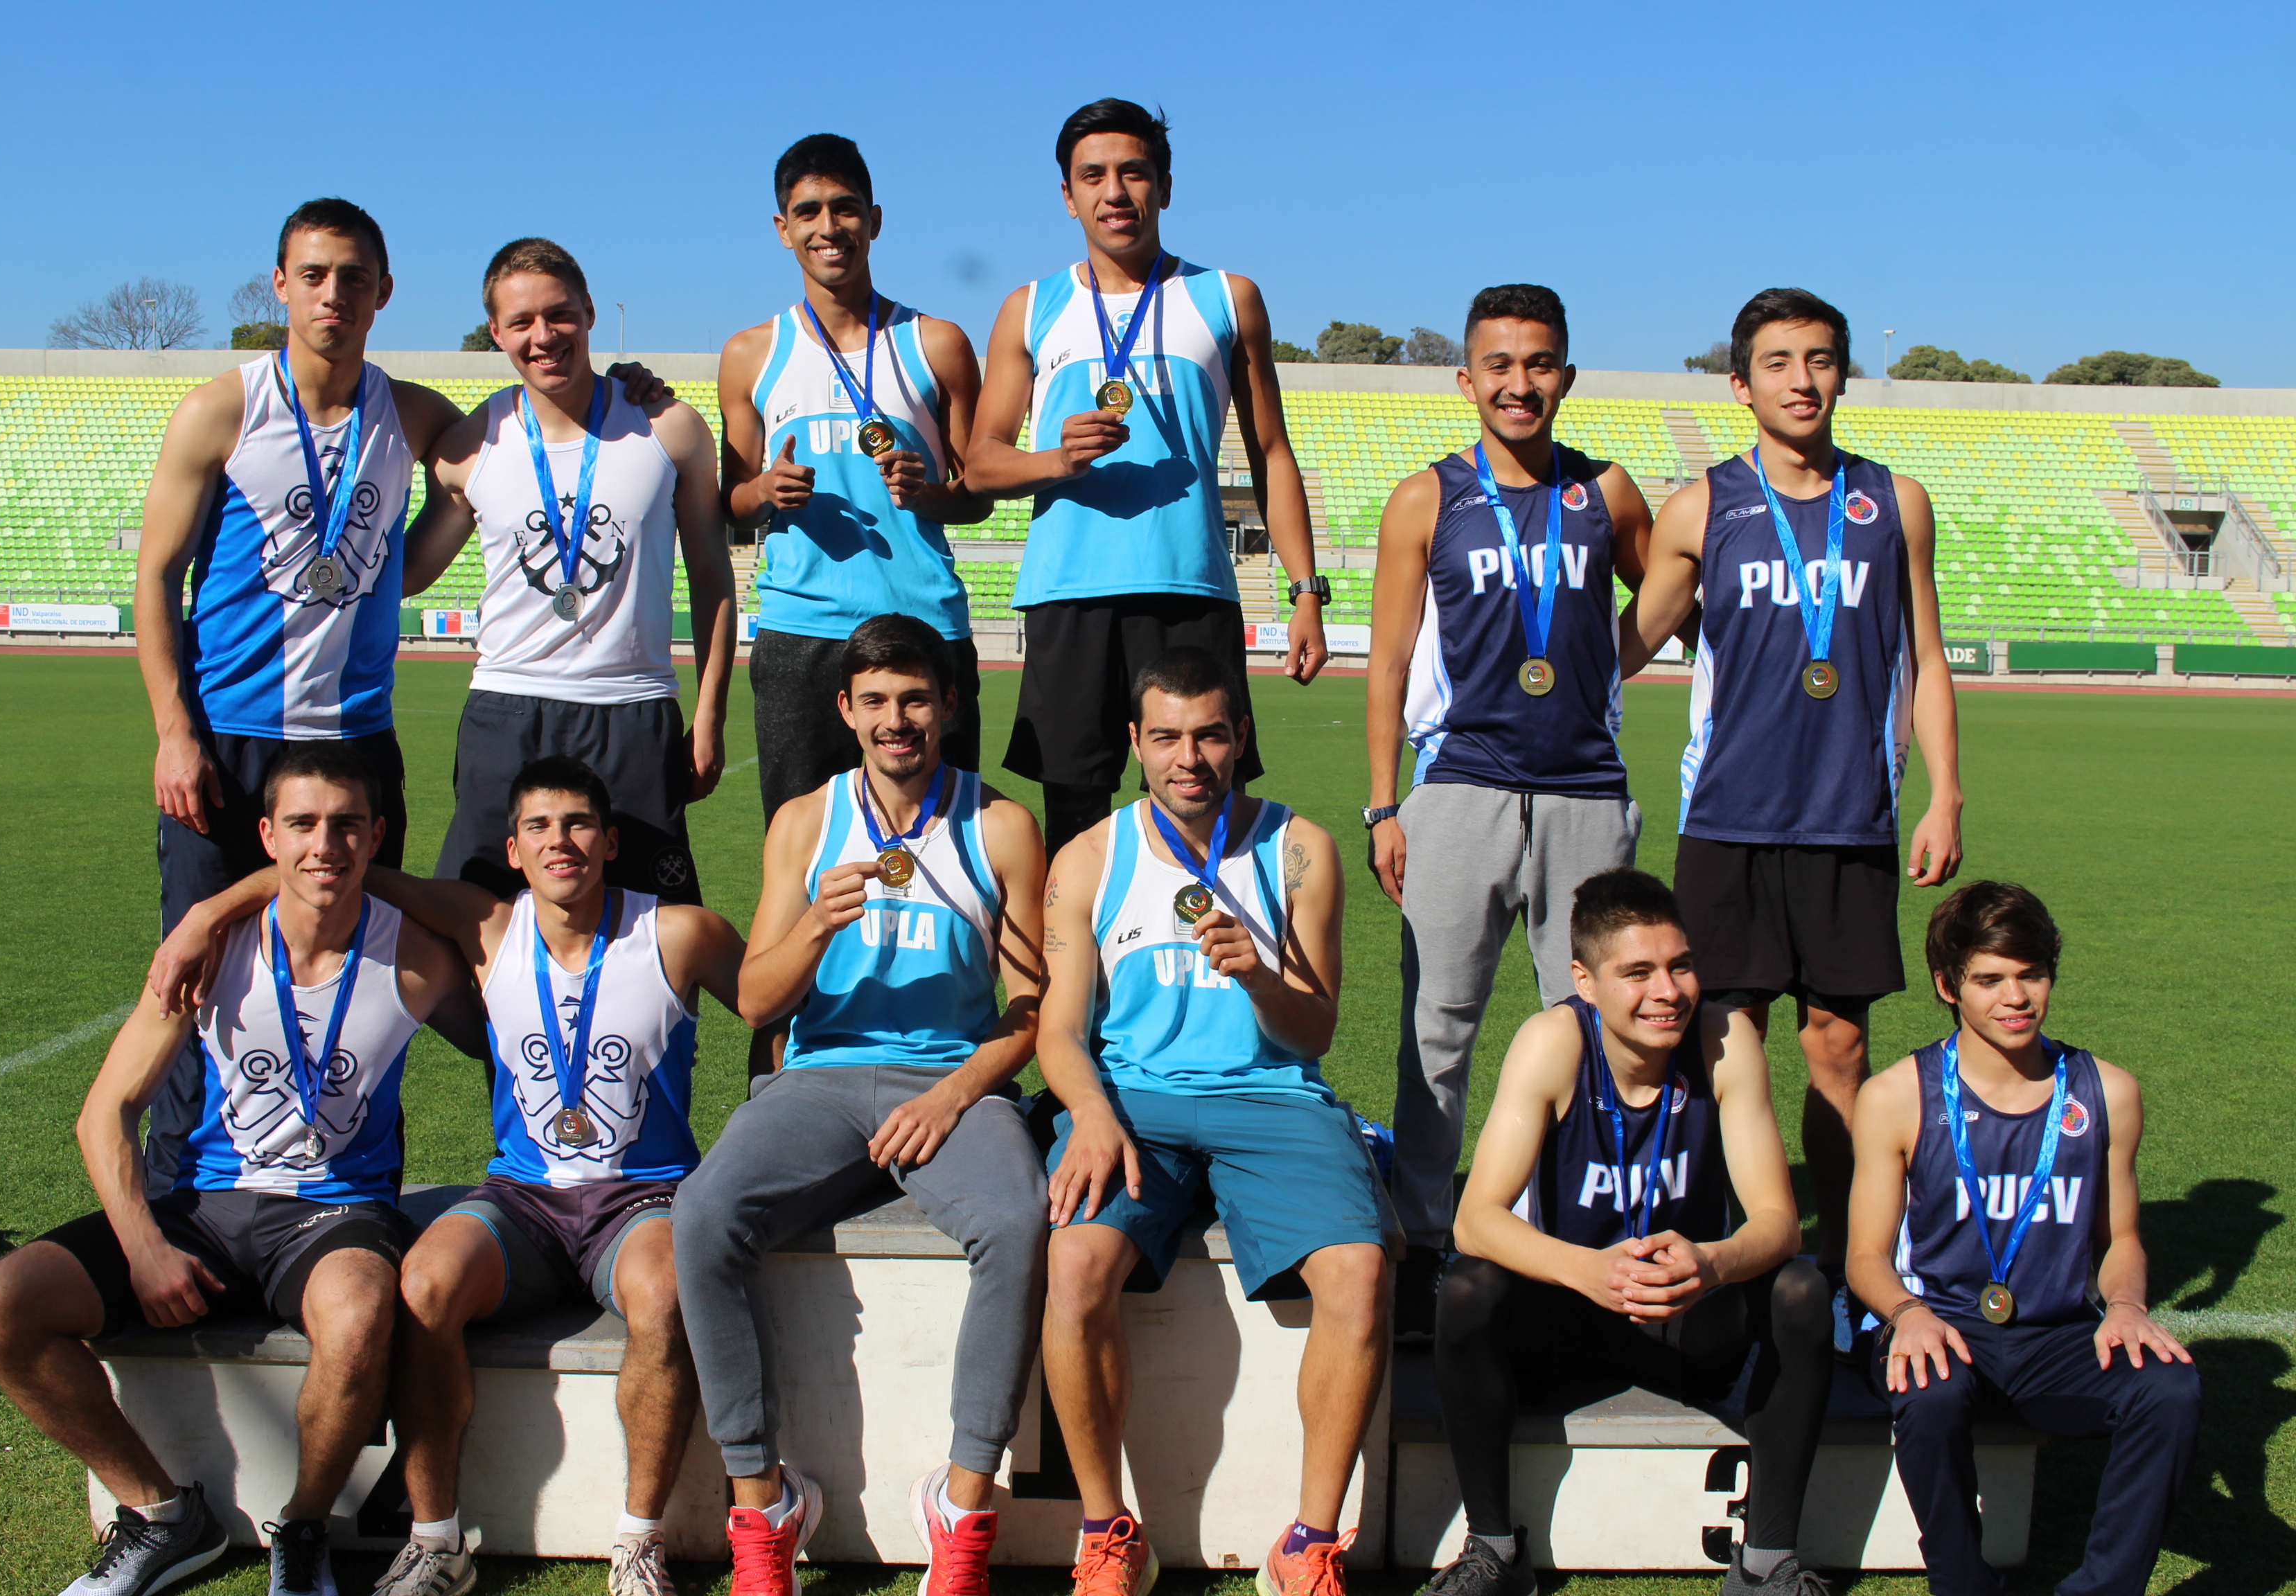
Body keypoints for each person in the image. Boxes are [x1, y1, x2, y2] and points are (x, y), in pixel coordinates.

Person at [134, 200, 668, 1196]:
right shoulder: (220, 410)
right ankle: (175, 1197)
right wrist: (174, 732)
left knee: (371, 968)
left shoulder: (416, 416)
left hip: (356, 742)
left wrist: (629, 388)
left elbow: (517, 455)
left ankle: (361, 1191)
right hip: (231, 736)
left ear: (384, 292)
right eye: (313, 274)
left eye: (353, 277)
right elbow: (157, 578)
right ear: (282, 285)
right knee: (204, 966)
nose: (333, 295)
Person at [150, 756, 746, 1596]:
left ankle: (638, 1539)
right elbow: (336, 871)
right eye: (538, 827)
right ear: (513, 849)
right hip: (522, 1197)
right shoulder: (485, 924)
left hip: (640, 1195)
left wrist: (764, 1124)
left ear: (611, 841)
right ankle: (436, 1543)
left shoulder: (680, 931)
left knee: (667, 1296)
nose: (560, 841)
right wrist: (208, 912)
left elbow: (773, 1005)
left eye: (579, 823)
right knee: (422, 1283)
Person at [0, 744, 477, 1596]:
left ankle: (302, 1530)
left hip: (337, 1212)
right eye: (303, 824)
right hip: (204, 1205)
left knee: (357, 1317)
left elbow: (510, 1022)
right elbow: (105, 1112)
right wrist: (145, 1250)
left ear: (377, 835)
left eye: (347, 825)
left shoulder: (419, 960)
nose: (325, 845)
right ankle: (161, 1514)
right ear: (268, 836)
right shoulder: (210, 951)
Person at [671, 614, 1048, 1596]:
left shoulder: (1001, 826)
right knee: (702, 1215)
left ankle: (962, 1505)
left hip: (955, 1084)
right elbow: (758, 1002)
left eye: (915, 699)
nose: (896, 721)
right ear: (844, 709)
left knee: (1017, 1224)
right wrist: (814, 925)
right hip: (820, 1077)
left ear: (950, 705)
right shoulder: (807, 821)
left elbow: (1029, 1010)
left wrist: (956, 1094)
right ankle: (763, 1503)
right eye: (875, 701)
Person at [1364, 283, 1691, 1327]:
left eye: (1539, 363)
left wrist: (1607, 665)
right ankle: (1424, 1236)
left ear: (1567, 376)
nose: (1520, 384)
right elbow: (1388, 663)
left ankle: (1581, 1245)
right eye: (1500, 365)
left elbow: (1670, 598)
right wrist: (1382, 807)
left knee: (1598, 1031)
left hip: (1587, 796)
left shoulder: (1608, 492)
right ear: (1467, 379)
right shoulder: (1426, 499)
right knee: (1437, 1032)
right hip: (1459, 790)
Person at [1625, 287, 1963, 1295]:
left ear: (1842, 375)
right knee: (1722, 1046)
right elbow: (1625, 645)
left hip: (1849, 817)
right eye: (1777, 362)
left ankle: (1844, 1264)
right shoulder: (1703, 506)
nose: (1801, 380)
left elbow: (1927, 658)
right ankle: (1726, 1251)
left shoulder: (1894, 502)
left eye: (1819, 360)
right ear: (1741, 384)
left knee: (1839, 1050)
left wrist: (1945, 794)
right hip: (1727, 819)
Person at [1039, 645, 1393, 1596]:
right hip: (1132, 1103)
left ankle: (1309, 1542)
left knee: (1359, 1274)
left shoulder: (1300, 848)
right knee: (1073, 1267)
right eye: (1165, 738)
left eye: (1208, 735)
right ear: (1135, 742)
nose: (1187, 758)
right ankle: (1109, 1533)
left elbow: (1315, 1029)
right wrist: (1089, 1112)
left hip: (1272, 1096)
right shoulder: (1090, 858)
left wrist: (1262, 978)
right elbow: (1059, 1030)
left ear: (1241, 736)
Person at [1424, 869, 1832, 1596]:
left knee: (1800, 1290)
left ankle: (1768, 1563)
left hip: (1685, 1315)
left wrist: (1712, 1263)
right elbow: (1475, 1218)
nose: (1668, 991)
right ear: (1584, 981)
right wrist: (1587, 1270)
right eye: (1638, 973)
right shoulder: (1554, 1042)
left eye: (1681, 965)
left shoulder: (1724, 1038)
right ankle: (1492, 1550)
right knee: (1466, 1289)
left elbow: (1777, 1222)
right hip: (1568, 1312)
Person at [966, 99, 1331, 854]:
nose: (1115, 192)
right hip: (1070, 593)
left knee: (1208, 808)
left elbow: (1271, 451)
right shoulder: (1030, 307)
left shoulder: (1227, 297)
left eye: (1134, 172)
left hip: (1190, 590)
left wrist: (1305, 590)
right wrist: (1057, 461)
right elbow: (980, 461)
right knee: (1076, 823)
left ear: (1165, 185)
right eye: (1092, 175)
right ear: (1068, 196)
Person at [1848, 882, 2199, 1596]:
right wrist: (1907, 1314)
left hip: (2056, 1335)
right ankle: (1963, 1585)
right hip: (1941, 1323)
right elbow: (1864, 1256)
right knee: (1930, 1394)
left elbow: (2121, 1238)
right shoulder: (1896, 1095)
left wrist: (2126, 1305)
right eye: (1990, 979)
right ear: (1948, 986)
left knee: (2170, 1390)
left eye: (2031, 974)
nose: (2016, 997)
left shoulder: (2107, 1091)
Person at [405, 236, 736, 906]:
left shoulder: (669, 429)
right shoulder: (471, 444)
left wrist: (709, 716)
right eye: (522, 321)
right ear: (496, 332)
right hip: (506, 707)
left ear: (588, 312)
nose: (544, 336)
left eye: (559, 314)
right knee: (480, 915)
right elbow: (407, 573)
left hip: (631, 706)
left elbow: (711, 577)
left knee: (650, 920)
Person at [718, 134, 994, 825]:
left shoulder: (938, 343)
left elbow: (978, 497)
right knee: (803, 843)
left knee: (945, 840)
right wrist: (765, 490)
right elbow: (732, 504)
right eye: (807, 212)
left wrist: (927, 491)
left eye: (844, 208)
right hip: (801, 631)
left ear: (874, 219)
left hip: (923, 624)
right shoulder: (751, 353)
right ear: (782, 229)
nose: (828, 227)